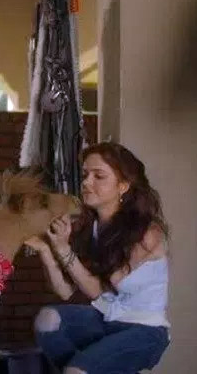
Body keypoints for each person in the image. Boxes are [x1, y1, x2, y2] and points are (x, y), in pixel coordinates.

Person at [25, 142, 170, 374]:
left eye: (98, 176)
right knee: (47, 319)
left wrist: (63, 250)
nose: (86, 182)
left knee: (75, 371)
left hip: (144, 330)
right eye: (85, 175)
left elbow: (96, 290)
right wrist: (46, 250)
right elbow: (65, 291)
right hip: (105, 318)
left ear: (123, 186)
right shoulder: (89, 227)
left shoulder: (146, 234)